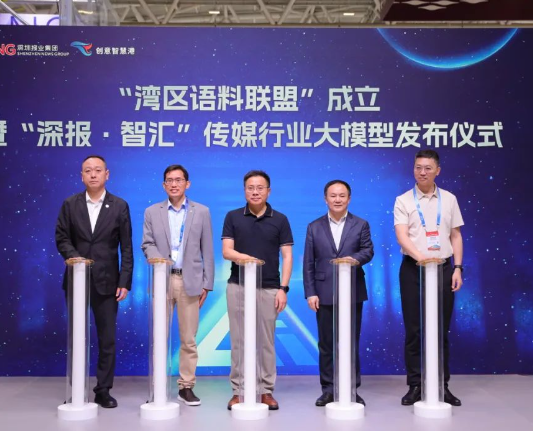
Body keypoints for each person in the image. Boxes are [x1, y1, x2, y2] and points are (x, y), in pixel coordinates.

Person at [55, 155, 133, 408]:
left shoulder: (119, 205)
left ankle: (103, 389)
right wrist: (75, 259)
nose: (93, 174)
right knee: (76, 337)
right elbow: (62, 237)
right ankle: (77, 388)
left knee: (107, 338)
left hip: (107, 281)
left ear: (106, 174)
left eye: (98, 170)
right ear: (81, 176)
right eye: (87, 170)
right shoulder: (70, 204)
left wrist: (124, 281)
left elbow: (126, 247)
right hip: (76, 279)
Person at [394, 149, 464, 407]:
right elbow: (402, 235)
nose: (422, 172)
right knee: (414, 330)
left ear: (437, 171)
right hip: (413, 269)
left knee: (440, 329)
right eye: (418, 167)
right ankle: (415, 385)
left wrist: (458, 268)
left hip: (443, 269)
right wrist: (421, 258)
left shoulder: (449, 199)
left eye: (427, 168)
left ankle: (441, 385)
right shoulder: (403, 200)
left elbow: (455, 235)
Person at [141, 164, 214, 406]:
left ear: (187, 184)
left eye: (179, 180)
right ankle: (158, 385)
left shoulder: (201, 211)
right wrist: (159, 260)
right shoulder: (152, 212)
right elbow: (147, 243)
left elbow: (207, 250)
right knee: (159, 336)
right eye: (169, 180)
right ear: (164, 185)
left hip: (189, 281)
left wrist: (207, 284)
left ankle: (186, 386)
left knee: (188, 338)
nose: (174, 184)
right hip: (162, 279)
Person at [222, 170, 293, 411]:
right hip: (238, 286)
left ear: (268, 191)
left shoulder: (280, 219)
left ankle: (265, 390)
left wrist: (283, 288)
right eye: (250, 188)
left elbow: (287, 256)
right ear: (244, 191)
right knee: (238, 340)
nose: (255, 192)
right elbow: (227, 251)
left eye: (260, 188)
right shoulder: (233, 216)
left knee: (266, 342)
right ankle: (239, 390)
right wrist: (247, 259)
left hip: (269, 287)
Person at [303, 180, 374, 407]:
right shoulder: (314, 226)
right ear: (325, 199)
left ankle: (351, 389)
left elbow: (368, 250)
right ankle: (328, 389)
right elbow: (308, 263)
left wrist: (354, 259)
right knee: (326, 344)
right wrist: (310, 292)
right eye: (333, 195)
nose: (337, 199)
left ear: (349, 199)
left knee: (350, 341)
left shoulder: (360, 224)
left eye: (342, 195)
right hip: (323, 292)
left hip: (352, 290)